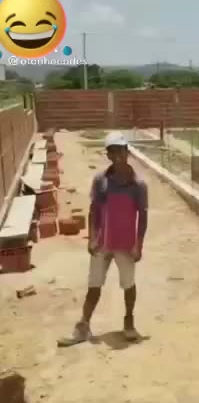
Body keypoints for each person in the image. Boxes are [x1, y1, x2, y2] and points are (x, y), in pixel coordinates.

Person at [58, 131, 148, 346]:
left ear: (127, 152)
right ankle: (83, 327)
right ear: (108, 155)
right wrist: (91, 238)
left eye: (121, 151)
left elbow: (143, 216)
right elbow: (93, 210)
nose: (117, 156)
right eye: (112, 152)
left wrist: (138, 245)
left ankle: (129, 322)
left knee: (128, 285)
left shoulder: (138, 185)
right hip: (102, 242)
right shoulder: (101, 181)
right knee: (94, 286)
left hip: (125, 244)